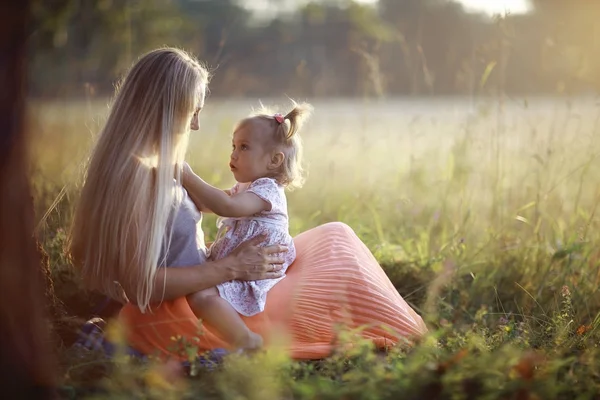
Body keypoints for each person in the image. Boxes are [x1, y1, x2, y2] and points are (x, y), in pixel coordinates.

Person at [69, 47, 428, 362]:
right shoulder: (137, 177)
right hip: (202, 306)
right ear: (167, 108)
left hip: (217, 287)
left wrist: (229, 257)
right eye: (193, 111)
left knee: (336, 238)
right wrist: (231, 267)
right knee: (341, 261)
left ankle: (403, 329)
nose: (195, 125)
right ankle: (404, 334)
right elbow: (139, 284)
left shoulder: (151, 167)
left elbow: (210, 215)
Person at [182, 102, 311, 351]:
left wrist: (188, 176)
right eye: (233, 146)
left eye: (244, 147)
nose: (233, 154)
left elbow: (226, 207)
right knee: (198, 289)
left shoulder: (267, 190)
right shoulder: (247, 188)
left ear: (274, 160)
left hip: (256, 271)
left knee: (201, 296)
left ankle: (245, 340)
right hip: (241, 264)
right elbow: (211, 203)